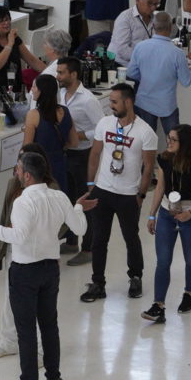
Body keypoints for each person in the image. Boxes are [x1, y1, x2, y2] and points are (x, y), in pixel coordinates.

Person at [0, 147, 84, 380]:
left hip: (25, 271)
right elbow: (78, 228)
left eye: (19, 169)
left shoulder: (23, 202)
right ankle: (53, 378)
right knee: (49, 325)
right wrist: (78, 207)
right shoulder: (59, 197)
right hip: (50, 269)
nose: (17, 172)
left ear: (28, 175)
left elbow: (18, 236)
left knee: (26, 328)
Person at [81, 84, 159, 302]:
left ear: (128, 102)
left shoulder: (146, 132)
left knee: (130, 237)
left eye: (115, 102)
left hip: (128, 195)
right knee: (99, 239)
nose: (111, 106)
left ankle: (135, 277)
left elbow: (148, 167)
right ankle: (98, 283)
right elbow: (95, 153)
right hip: (102, 191)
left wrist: (141, 195)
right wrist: (91, 184)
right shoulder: (105, 123)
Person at [141, 126, 191, 325]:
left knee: (190, 258)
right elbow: (160, 187)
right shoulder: (164, 159)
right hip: (167, 214)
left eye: (173, 140)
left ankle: (189, 294)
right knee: (163, 261)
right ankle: (158, 306)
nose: (169, 142)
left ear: (185, 144)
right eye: (169, 138)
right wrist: (152, 215)